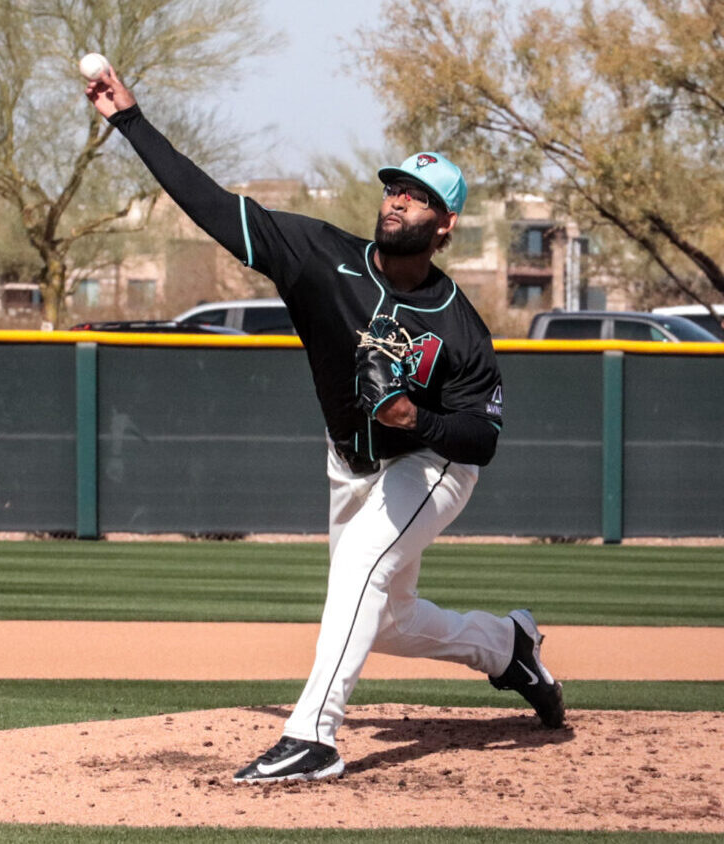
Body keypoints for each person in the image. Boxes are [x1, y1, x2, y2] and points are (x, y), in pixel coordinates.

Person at [85, 66, 565, 784]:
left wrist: (413, 416)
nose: (398, 199)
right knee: (388, 619)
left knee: (360, 568)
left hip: (429, 464)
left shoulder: (460, 327)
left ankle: (313, 735)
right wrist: (130, 120)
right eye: (395, 187)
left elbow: (483, 439)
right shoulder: (318, 256)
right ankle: (506, 646)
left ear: (446, 225)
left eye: (419, 195)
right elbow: (211, 205)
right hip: (349, 463)